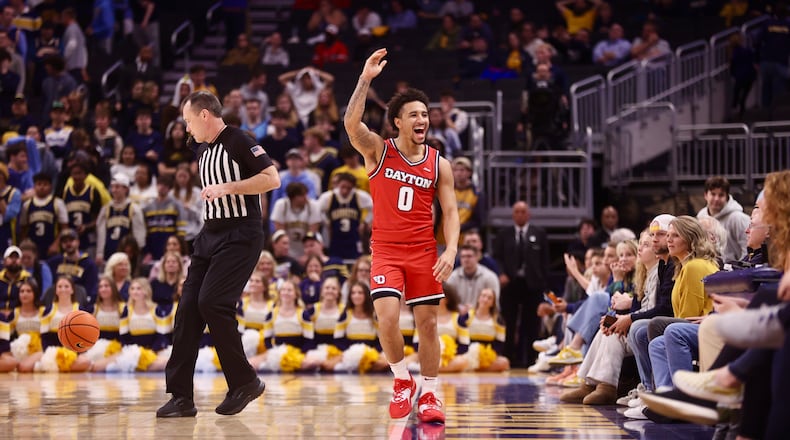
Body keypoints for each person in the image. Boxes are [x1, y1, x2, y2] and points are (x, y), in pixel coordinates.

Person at [343, 48, 460, 424]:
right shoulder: (379, 150)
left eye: (425, 114)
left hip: (424, 250)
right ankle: (401, 379)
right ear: (397, 122)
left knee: (428, 324)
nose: (422, 119)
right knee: (388, 319)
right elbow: (350, 124)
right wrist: (365, 79)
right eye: (414, 114)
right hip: (387, 251)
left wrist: (452, 248)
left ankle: (430, 392)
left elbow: (452, 211)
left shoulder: (438, 163)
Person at [157, 91, 280, 418]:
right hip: (209, 233)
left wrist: (229, 188)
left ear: (205, 116)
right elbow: (175, 132)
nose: (186, 128)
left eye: (188, 121)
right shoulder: (199, 145)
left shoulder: (240, 140)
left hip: (241, 233)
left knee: (212, 302)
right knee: (187, 311)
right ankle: (181, 397)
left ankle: (245, 382)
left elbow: (272, 178)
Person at [493, 201, 549, 367]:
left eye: (523, 211)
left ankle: (531, 360)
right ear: (513, 215)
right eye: (517, 211)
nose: (520, 214)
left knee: (531, 323)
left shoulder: (539, 233)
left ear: (528, 214)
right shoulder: (504, 234)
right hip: (510, 284)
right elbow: (497, 257)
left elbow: (545, 261)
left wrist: (544, 284)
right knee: (509, 322)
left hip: (532, 286)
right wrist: (501, 273)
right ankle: (508, 359)